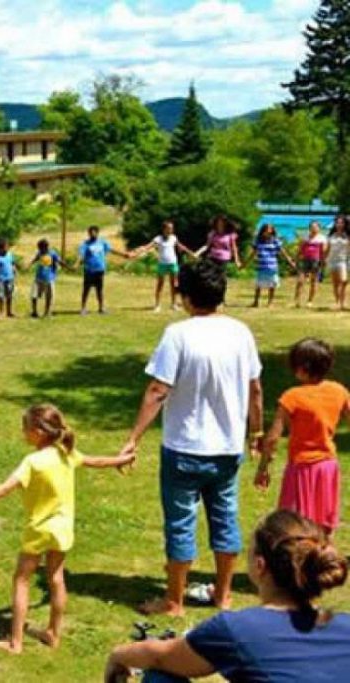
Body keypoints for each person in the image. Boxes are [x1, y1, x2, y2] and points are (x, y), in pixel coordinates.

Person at [118, 258, 263, 616]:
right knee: (226, 518)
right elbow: (255, 389)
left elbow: (157, 390)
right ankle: (224, 596)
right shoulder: (241, 332)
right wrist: (255, 431)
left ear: (184, 295)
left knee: (181, 523)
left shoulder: (178, 334)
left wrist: (134, 437)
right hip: (228, 449)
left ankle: (174, 602)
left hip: (184, 447)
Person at [0, 404, 134, 654]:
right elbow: (97, 461)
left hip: (39, 531)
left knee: (21, 580)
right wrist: (122, 459)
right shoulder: (66, 453)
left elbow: (5, 487)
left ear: (38, 432)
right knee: (56, 578)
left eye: (26, 429)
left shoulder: (33, 462)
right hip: (63, 529)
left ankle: (16, 642)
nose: (23, 434)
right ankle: (53, 633)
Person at [104, 510, 350, 683]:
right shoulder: (345, 627)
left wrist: (118, 655)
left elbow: (159, 657)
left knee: (160, 677)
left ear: (260, 566)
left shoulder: (237, 629)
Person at [256, 338, 347, 536]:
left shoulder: (292, 397)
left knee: (293, 524)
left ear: (302, 368)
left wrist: (263, 467)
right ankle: (322, 560)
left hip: (301, 468)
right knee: (323, 523)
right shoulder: (339, 391)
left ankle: (296, 564)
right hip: (328, 466)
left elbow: (273, 438)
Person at [133, 221, 195, 313]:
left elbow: (180, 246)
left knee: (174, 284)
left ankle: (174, 304)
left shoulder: (174, 238)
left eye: (172, 228)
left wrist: (190, 253)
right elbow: (149, 246)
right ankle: (157, 305)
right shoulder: (158, 239)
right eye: (169, 228)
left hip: (173, 263)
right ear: (164, 229)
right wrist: (141, 249)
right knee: (160, 285)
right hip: (162, 264)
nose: (171, 230)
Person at [78, 225, 132, 315]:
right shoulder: (85, 244)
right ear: (89, 233)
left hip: (100, 270)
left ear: (97, 233)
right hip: (89, 270)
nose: (92, 234)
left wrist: (123, 254)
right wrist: (76, 264)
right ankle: (83, 308)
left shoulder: (102, 243)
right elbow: (81, 255)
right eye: (91, 232)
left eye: (94, 232)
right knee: (86, 289)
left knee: (99, 290)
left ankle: (101, 308)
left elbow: (112, 250)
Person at [249, 224, 295, 308]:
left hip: (272, 266)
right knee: (258, 285)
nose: (268, 232)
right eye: (266, 230)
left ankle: (270, 302)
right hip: (261, 265)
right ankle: (256, 302)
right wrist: (245, 263)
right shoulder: (258, 241)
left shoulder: (275, 240)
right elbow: (252, 253)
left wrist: (290, 261)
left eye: (270, 230)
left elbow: (283, 252)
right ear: (263, 231)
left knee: (272, 285)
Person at [29, 238, 65, 319]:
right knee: (34, 295)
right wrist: (28, 265)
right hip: (39, 277)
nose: (40, 250)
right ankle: (34, 312)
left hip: (49, 278)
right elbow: (34, 260)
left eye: (42, 248)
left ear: (46, 247)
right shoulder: (39, 253)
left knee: (49, 296)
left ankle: (47, 312)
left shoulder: (52, 253)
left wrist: (69, 267)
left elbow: (60, 261)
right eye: (39, 248)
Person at [295, 220, 327, 308]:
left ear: (319, 228)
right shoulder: (305, 237)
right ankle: (297, 300)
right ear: (309, 228)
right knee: (300, 281)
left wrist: (323, 261)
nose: (313, 228)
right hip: (304, 260)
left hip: (316, 261)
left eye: (315, 227)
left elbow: (323, 252)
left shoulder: (322, 238)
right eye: (312, 227)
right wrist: (296, 259)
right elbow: (300, 249)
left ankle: (310, 301)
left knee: (314, 281)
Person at [326, 215, 349, 310]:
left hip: (342, 261)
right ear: (335, 224)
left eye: (341, 223)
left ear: (345, 224)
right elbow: (327, 249)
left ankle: (342, 302)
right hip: (331, 261)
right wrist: (323, 259)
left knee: (343, 281)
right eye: (337, 223)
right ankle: (338, 303)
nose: (339, 224)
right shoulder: (331, 235)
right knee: (335, 283)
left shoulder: (347, 235)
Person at [0, 240, 17, 318]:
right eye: (5, 247)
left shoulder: (10, 255)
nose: (7, 248)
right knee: (1, 296)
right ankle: (2, 312)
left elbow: (13, 263)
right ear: (0, 248)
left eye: (7, 247)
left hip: (10, 278)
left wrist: (14, 270)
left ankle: (9, 311)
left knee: (10, 295)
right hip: (1, 279)